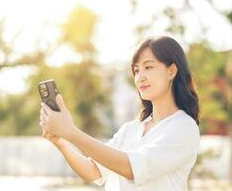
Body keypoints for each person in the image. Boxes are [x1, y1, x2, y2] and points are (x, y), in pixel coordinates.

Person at [39, 35, 200, 191]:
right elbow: (93, 171)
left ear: (171, 71)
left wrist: (70, 131)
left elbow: (130, 168)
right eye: (136, 70)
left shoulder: (183, 127)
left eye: (148, 67)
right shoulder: (131, 129)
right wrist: (61, 142)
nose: (140, 77)